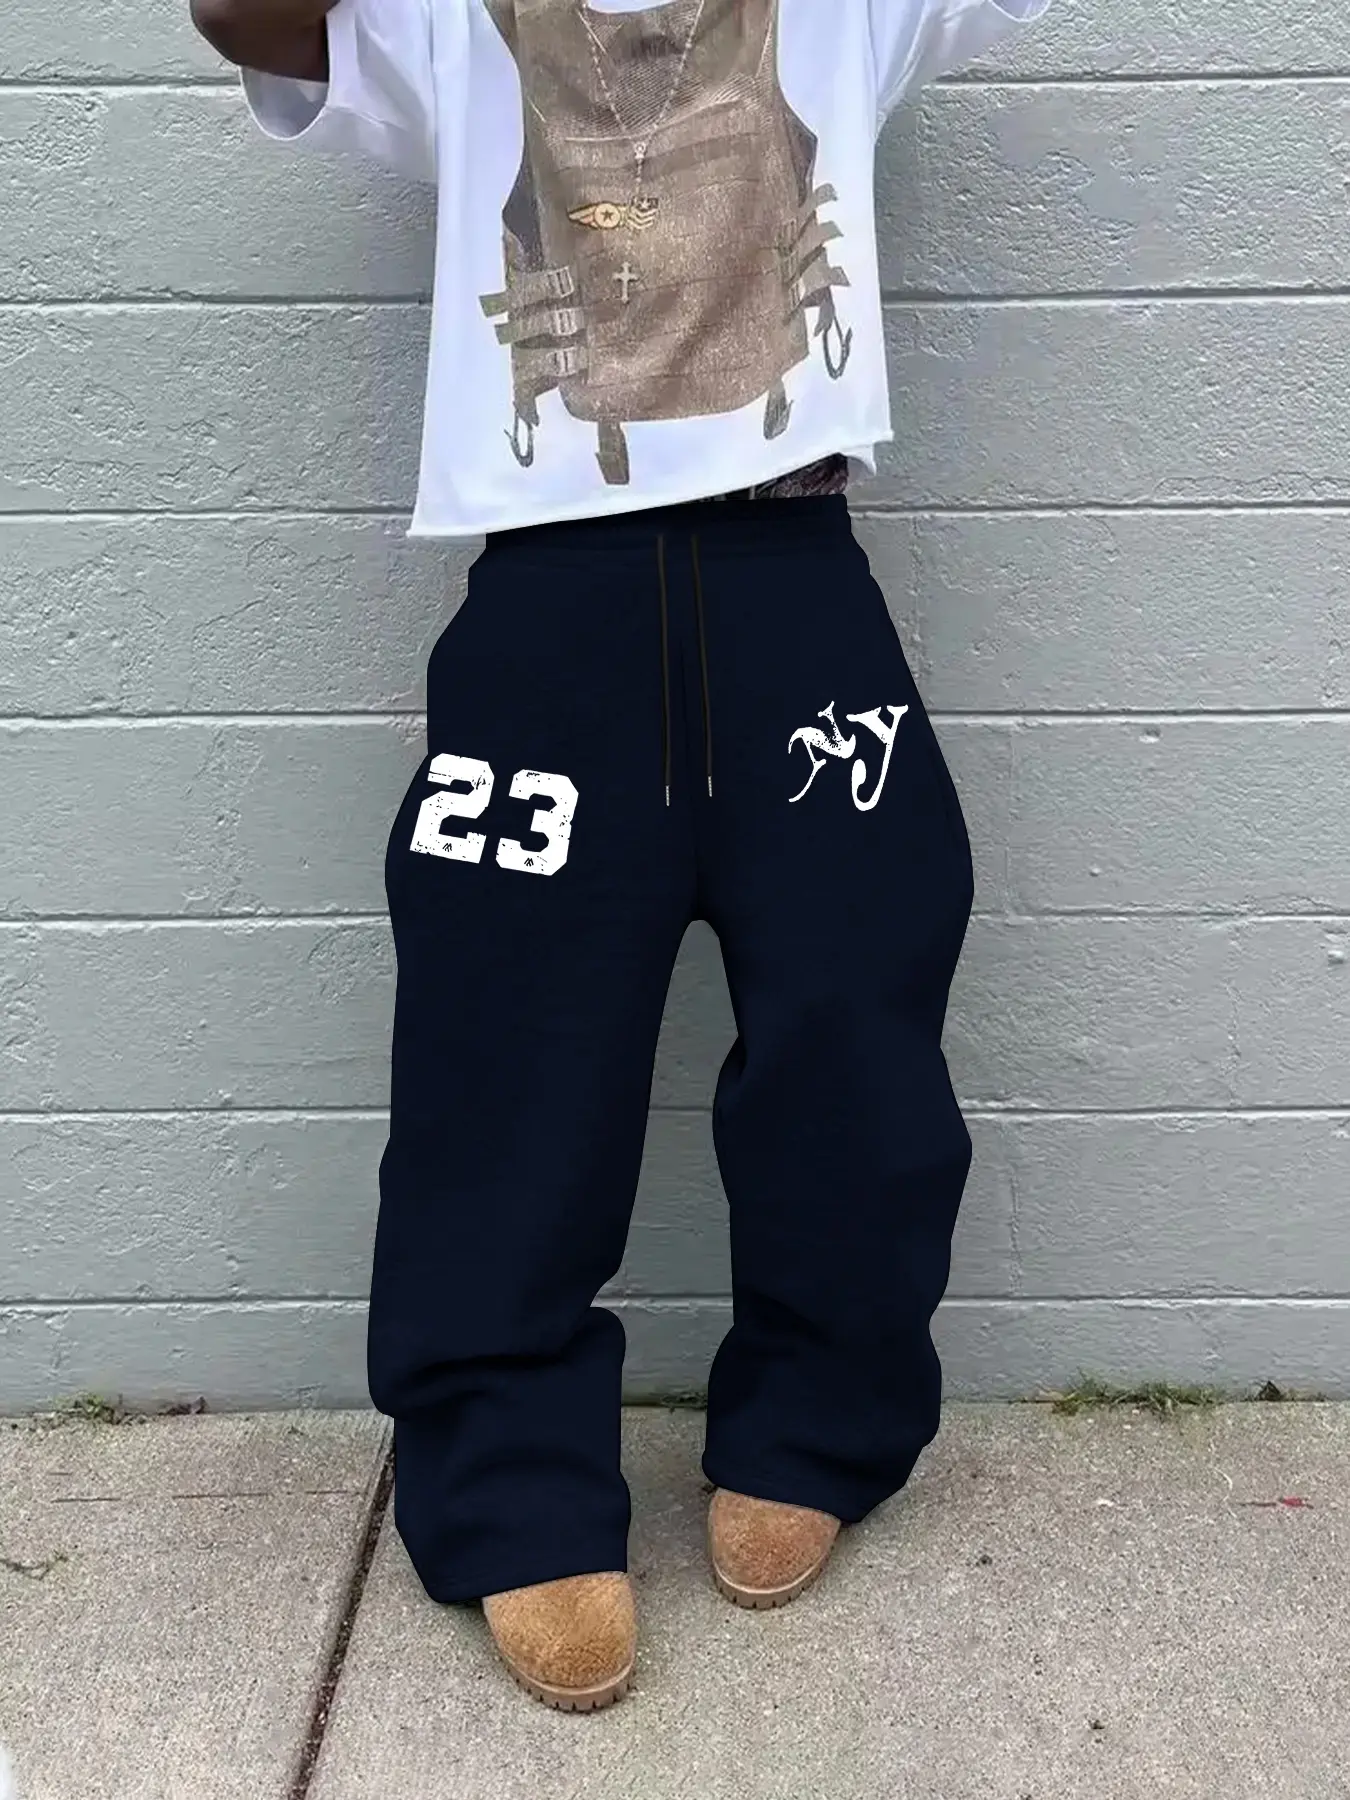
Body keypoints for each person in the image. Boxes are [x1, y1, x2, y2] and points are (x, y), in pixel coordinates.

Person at [192, 0, 1050, 1712]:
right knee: (503, 1056)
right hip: (549, 596)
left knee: (856, 1028)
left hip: (794, 580)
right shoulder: (450, 22)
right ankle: (510, 1486)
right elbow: (248, 20)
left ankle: (817, 1425)